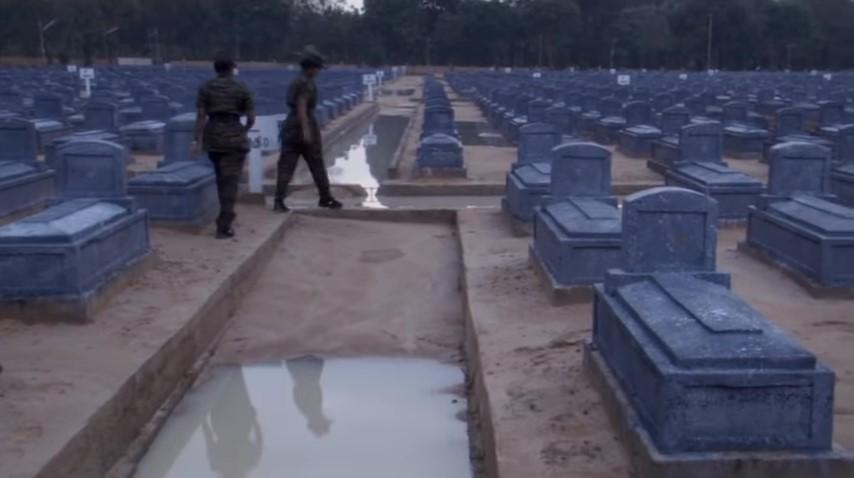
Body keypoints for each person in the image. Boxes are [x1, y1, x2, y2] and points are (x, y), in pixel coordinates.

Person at [193, 53, 256, 239]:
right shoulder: (241, 88)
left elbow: (201, 116)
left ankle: (225, 215)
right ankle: (224, 224)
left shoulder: (206, 87)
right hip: (234, 136)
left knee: (221, 179)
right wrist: (244, 130)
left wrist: (196, 140)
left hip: (213, 136)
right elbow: (251, 117)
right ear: (231, 69)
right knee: (231, 181)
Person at [273, 46, 342, 212]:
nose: (318, 71)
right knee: (316, 163)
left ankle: (278, 200)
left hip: (290, 125)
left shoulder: (297, 81)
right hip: (304, 124)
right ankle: (325, 197)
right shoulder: (307, 84)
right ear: (311, 68)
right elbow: (302, 104)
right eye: (317, 68)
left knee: (286, 166)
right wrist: (305, 129)